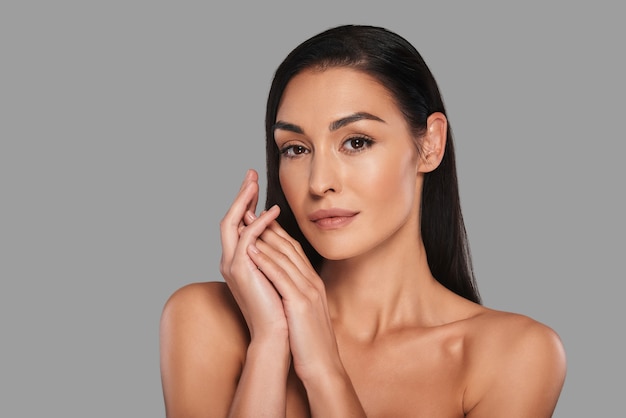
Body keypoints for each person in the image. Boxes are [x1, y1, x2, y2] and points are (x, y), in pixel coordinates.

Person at [159, 24, 566, 417]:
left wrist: (323, 367)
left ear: (430, 145)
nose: (319, 183)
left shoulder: (514, 355)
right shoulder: (205, 319)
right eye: (296, 149)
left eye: (356, 142)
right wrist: (269, 342)